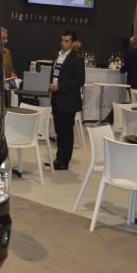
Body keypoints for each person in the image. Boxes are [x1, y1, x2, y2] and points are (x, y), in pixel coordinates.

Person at [48, 30, 85, 170]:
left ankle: (64, 161)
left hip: (69, 100)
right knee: (59, 131)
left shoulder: (77, 58)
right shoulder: (59, 55)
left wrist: (60, 85)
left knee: (66, 132)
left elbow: (80, 81)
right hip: (56, 98)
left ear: (73, 43)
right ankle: (58, 159)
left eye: (67, 41)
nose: (63, 43)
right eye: (62, 40)